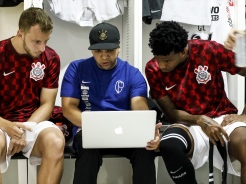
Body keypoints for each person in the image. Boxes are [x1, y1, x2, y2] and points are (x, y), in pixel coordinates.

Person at [145, 21, 246, 184]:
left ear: (184, 51)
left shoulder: (208, 50)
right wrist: (199, 119)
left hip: (222, 117)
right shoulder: (153, 68)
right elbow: (172, 114)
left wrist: (244, 115)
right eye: (158, 59)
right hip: (187, 122)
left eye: (167, 60)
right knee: (169, 145)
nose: (162, 65)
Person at [61, 22, 161, 184]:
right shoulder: (77, 68)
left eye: (110, 50)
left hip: (125, 133)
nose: (104, 56)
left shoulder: (132, 74)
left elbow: (139, 108)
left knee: (146, 149)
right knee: (88, 149)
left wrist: (148, 132)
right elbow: (68, 108)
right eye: (98, 51)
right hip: (89, 131)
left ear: (119, 48)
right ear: (91, 49)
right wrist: (95, 126)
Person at [0, 7, 65, 184]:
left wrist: (24, 128)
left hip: (32, 122)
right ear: (20, 33)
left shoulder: (51, 57)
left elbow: (47, 104)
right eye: (36, 41)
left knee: (55, 141)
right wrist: (9, 127)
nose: (42, 48)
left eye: (46, 41)